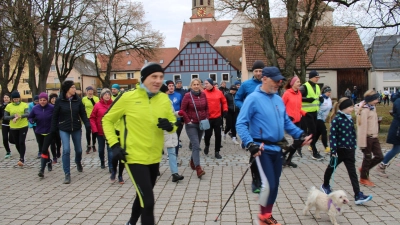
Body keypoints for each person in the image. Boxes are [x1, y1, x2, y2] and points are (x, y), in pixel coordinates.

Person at [102, 62, 177, 225]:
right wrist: (114, 145)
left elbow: (174, 122)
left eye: (161, 77)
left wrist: (171, 126)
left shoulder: (164, 99)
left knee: (142, 195)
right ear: (143, 79)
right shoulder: (128, 97)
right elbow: (107, 119)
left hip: (154, 156)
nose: (158, 81)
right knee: (148, 201)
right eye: (154, 77)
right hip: (133, 156)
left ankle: (131, 222)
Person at [236, 66, 312, 225]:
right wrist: (250, 144)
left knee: (275, 184)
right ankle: (262, 217)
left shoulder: (278, 98)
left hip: (277, 148)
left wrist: (300, 134)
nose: (279, 83)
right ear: (264, 78)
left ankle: (266, 215)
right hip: (261, 149)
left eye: (280, 80)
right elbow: (241, 124)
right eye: (275, 80)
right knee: (269, 183)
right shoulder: (253, 98)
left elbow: (286, 123)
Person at [320, 97, 373, 205]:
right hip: (339, 151)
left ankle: (358, 195)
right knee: (331, 168)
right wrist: (333, 150)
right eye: (350, 107)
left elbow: (352, 134)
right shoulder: (337, 119)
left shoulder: (349, 118)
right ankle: (325, 185)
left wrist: (353, 146)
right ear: (344, 108)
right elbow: (333, 136)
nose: (352, 108)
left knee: (352, 173)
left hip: (349, 151)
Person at [51, 80, 91, 184]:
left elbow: (83, 113)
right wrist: (53, 129)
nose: (75, 89)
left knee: (78, 150)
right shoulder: (59, 101)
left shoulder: (78, 100)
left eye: (75, 87)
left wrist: (87, 124)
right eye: (73, 87)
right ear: (67, 89)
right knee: (66, 150)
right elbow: (55, 116)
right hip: (64, 128)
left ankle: (78, 161)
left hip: (76, 128)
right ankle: (67, 173)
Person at [234, 60, 265, 193]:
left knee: (266, 151)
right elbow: (237, 99)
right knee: (255, 149)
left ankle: (264, 177)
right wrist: (245, 109)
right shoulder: (246, 85)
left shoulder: (268, 84)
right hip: (252, 122)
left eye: (260, 71)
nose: (258, 73)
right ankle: (255, 181)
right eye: (256, 71)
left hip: (264, 122)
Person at [179, 78, 208, 178]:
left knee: (197, 144)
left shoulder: (203, 94)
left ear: (200, 85)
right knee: (196, 145)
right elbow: (182, 110)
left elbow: (206, 108)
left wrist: (206, 118)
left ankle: (192, 160)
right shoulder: (187, 96)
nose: (196, 86)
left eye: (197, 84)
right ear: (191, 86)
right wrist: (188, 121)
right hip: (191, 125)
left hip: (201, 124)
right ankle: (198, 168)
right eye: (194, 84)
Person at [355, 90, 383, 187]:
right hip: (367, 138)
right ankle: (364, 178)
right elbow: (362, 128)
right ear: (370, 99)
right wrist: (362, 144)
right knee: (367, 158)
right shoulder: (364, 110)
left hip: (374, 137)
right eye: (375, 99)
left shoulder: (372, 108)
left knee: (380, 156)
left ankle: (363, 169)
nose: (377, 101)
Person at [160, 84, 184, 182]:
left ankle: (175, 173)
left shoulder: (168, 101)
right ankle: (155, 170)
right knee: (157, 152)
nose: (168, 93)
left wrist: (179, 113)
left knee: (172, 152)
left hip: (169, 129)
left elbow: (172, 114)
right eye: (166, 91)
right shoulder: (156, 103)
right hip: (160, 130)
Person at [281, 76, 307, 168]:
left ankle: (288, 159)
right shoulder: (287, 93)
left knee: (298, 142)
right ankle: (284, 155)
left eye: (299, 82)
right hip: (289, 121)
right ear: (292, 83)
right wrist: (286, 117)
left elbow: (298, 108)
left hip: (298, 120)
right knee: (297, 141)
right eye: (297, 82)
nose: (299, 83)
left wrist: (305, 113)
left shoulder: (299, 93)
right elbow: (281, 106)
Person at [28, 92, 55, 177]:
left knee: (43, 149)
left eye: (44, 100)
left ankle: (42, 170)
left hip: (49, 131)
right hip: (39, 131)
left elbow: (57, 117)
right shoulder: (35, 108)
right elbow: (30, 116)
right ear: (38, 100)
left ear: (47, 100)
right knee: (44, 148)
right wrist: (32, 121)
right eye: (41, 100)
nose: (42, 102)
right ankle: (49, 161)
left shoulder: (52, 108)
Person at [90, 88, 115, 175]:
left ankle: (111, 166)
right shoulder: (97, 105)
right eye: (105, 94)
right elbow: (92, 118)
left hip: (110, 131)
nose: (107, 96)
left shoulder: (114, 104)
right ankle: (102, 161)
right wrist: (95, 129)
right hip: (99, 131)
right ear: (102, 96)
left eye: (109, 94)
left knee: (110, 149)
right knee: (101, 149)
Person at [299, 70, 323, 160]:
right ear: (311, 77)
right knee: (313, 132)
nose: (317, 79)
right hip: (306, 112)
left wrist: (321, 99)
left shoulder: (317, 86)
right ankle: (314, 152)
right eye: (316, 77)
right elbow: (298, 97)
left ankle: (297, 146)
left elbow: (318, 96)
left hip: (314, 112)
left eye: (318, 77)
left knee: (308, 133)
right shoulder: (304, 86)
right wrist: (306, 99)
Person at [376, 91, 400, 177]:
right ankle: (382, 165)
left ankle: (382, 165)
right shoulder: (398, 101)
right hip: (397, 129)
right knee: (396, 148)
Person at [203, 78, 228, 159]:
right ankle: (207, 145)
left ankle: (217, 151)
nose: (205, 85)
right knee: (207, 135)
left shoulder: (219, 92)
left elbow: (224, 102)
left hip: (217, 117)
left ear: (211, 84)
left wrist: (225, 110)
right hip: (208, 118)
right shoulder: (203, 93)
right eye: (205, 84)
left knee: (218, 135)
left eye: (206, 83)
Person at [3, 91, 29, 166]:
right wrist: (13, 116)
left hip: (23, 126)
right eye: (14, 99)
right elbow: (5, 117)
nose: (16, 100)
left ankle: (21, 158)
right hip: (13, 127)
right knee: (17, 143)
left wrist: (20, 116)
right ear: (12, 99)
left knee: (21, 141)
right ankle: (21, 154)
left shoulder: (24, 105)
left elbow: (27, 114)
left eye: (17, 99)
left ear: (19, 98)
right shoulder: (9, 106)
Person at [165, 80, 183, 161]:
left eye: (172, 86)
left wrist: (182, 119)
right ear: (167, 87)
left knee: (176, 137)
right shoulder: (164, 96)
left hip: (178, 119)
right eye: (169, 86)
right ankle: (169, 153)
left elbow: (182, 107)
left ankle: (175, 153)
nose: (171, 87)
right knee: (169, 138)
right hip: (168, 120)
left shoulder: (178, 95)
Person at [311, 86, 333, 154]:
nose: (329, 93)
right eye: (328, 92)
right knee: (324, 131)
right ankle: (326, 147)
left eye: (330, 92)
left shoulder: (329, 99)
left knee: (318, 133)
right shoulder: (320, 98)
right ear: (324, 92)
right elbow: (315, 106)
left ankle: (312, 144)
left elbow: (330, 108)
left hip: (323, 118)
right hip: (318, 117)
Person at [82, 86, 99, 154]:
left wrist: (91, 99)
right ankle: (88, 145)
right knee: (88, 130)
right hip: (87, 117)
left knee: (94, 132)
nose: (90, 92)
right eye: (89, 91)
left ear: (93, 91)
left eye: (91, 91)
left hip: (94, 117)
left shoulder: (96, 98)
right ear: (86, 92)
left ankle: (93, 145)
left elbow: (97, 106)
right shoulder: (84, 99)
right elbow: (82, 107)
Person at [49, 93, 61, 160]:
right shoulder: (48, 107)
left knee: (58, 141)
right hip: (50, 126)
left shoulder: (59, 106)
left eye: (55, 98)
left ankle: (58, 150)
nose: (54, 100)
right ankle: (54, 156)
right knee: (52, 142)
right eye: (52, 98)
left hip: (58, 126)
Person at [1, 93, 12, 159]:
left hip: (12, 124)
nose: (6, 99)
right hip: (4, 124)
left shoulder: (12, 106)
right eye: (5, 97)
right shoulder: (1, 107)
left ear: (10, 99)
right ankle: (8, 151)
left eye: (7, 97)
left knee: (12, 139)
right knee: (5, 139)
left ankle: (19, 148)